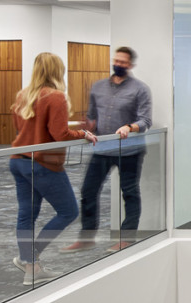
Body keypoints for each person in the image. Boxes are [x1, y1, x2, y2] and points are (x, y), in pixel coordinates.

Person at [8, 52, 96, 283]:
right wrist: (83, 133)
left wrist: (70, 125)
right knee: (69, 211)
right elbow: (59, 134)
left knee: (26, 215)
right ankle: (30, 257)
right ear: (57, 71)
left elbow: (28, 127)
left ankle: (31, 270)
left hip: (18, 160)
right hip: (42, 163)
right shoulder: (56, 96)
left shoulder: (22, 96)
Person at [66, 46, 153, 253]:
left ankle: (127, 238)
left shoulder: (140, 89)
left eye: (123, 62)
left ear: (130, 65)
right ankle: (87, 238)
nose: (119, 65)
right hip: (102, 149)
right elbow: (92, 117)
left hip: (130, 150)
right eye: (117, 61)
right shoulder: (98, 87)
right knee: (88, 191)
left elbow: (146, 120)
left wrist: (129, 127)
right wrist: (87, 127)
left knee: (130, 193)